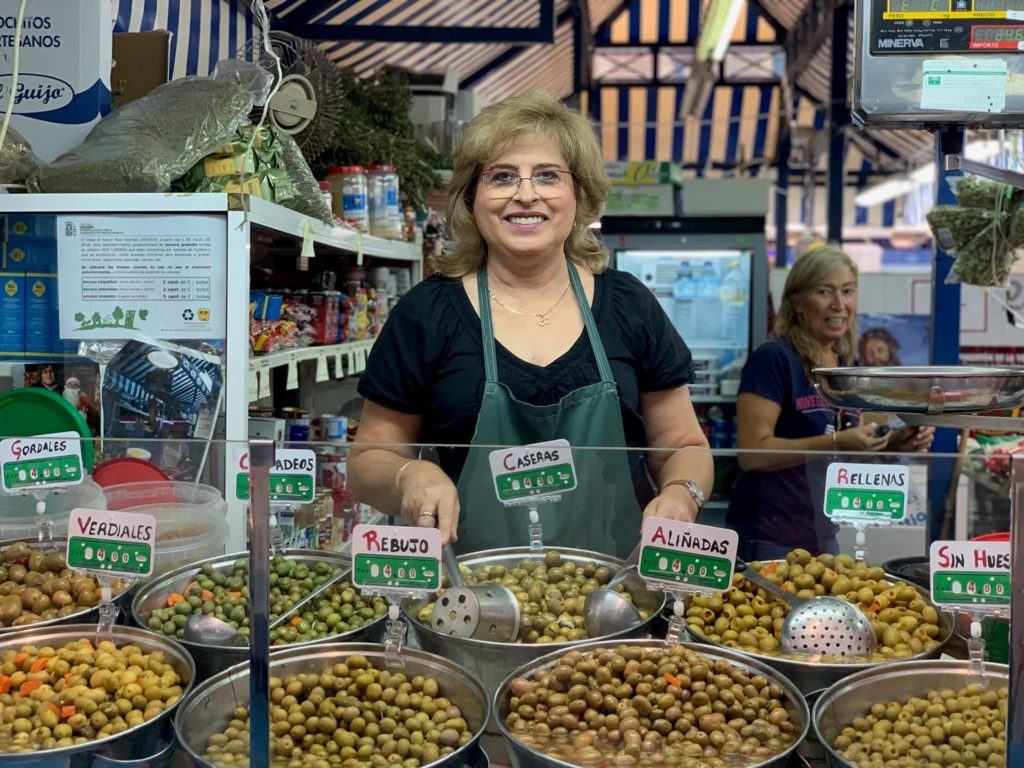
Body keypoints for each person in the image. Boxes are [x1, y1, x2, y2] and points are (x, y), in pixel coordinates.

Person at [349, 90, 713, 557]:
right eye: (501, 177)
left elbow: (684, 444)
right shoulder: (427, 314)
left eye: (547, 175)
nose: (525, 194)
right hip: (466, 602)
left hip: (617, 594)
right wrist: (410, 475)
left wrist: (683, 495)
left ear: (578, 195)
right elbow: (369, 460)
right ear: (472, 198)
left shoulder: (629, 305)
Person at [726, 245, 933, 560]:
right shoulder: (774, 358)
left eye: (848, 291)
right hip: (767, 539)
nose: (839, 304)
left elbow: (849, 454)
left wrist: (895, 445)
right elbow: (752, 454)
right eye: (825, 292)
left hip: (822, 540)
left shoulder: (844, 365)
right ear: (797, 303)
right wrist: (835, 441)